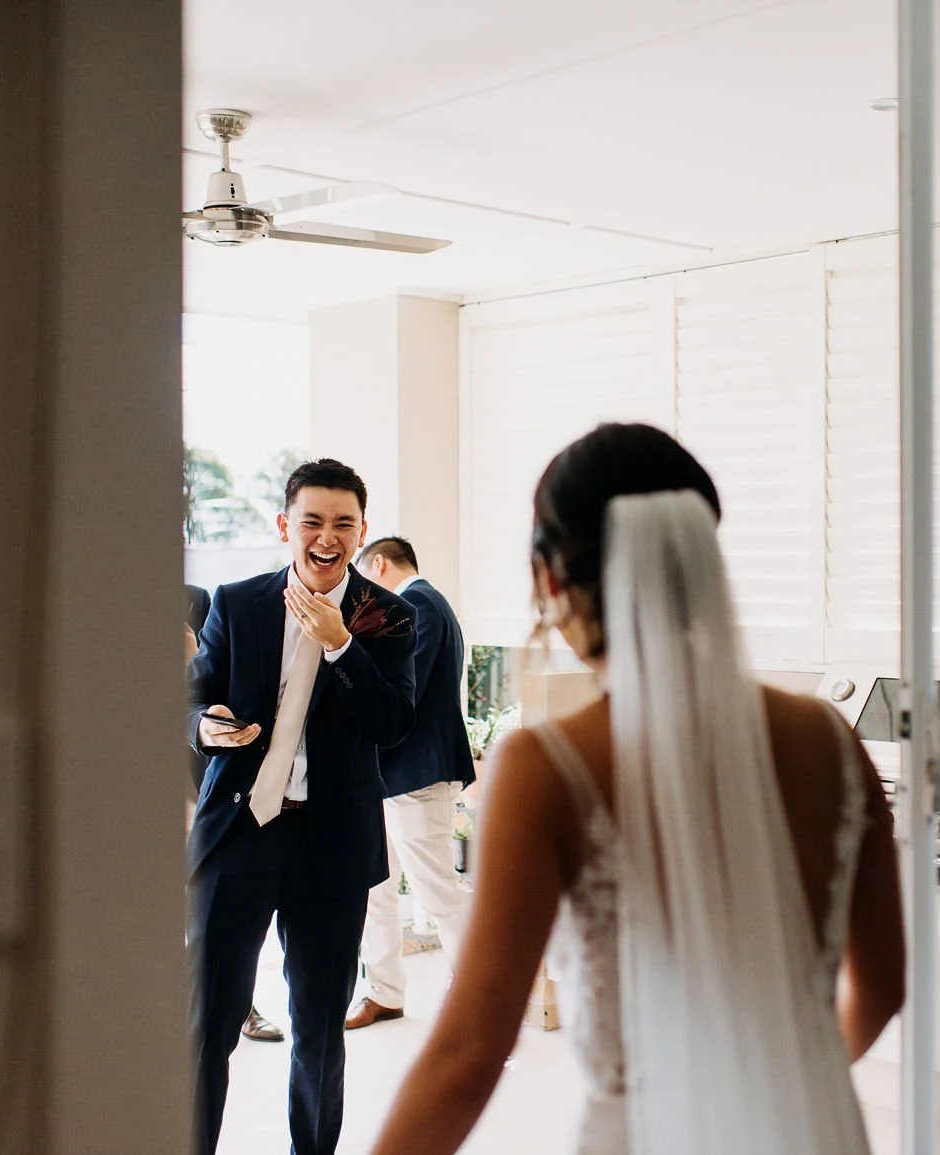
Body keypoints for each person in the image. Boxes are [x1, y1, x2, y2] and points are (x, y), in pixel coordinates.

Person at [369, 423, 907, 1155]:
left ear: (549, 579)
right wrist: (772, 1097)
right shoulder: (829, 738)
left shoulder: (545, 766)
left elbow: (468, 1057)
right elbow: (881, 986)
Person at [187, 459, 417, 1155]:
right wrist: (204, 727)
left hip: (333, 845)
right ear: (286, 525)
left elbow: (392, 723)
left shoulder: (389, 615)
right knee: (208, 1020)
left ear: (362, 532)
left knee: (318, 1028)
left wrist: (340, 643)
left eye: (343, 523)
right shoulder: (238, 602)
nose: (327, 536)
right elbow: (194, 697)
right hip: (240, 831)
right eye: (312, 521)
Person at [347, 536, 477, 1030]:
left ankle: (477, 998)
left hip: (417, 773)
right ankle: (384, 993)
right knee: (376, 886)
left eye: (364, 579)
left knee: (436, 888)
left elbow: (401, 692)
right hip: (394, 773)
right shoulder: (428, 603)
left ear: (379, 564)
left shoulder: (418, 604)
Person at [187, 582, 286, 1046]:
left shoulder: (197, 598)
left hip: (203, 764)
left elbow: (203, 678)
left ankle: (240, 1005)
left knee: (205, 906)